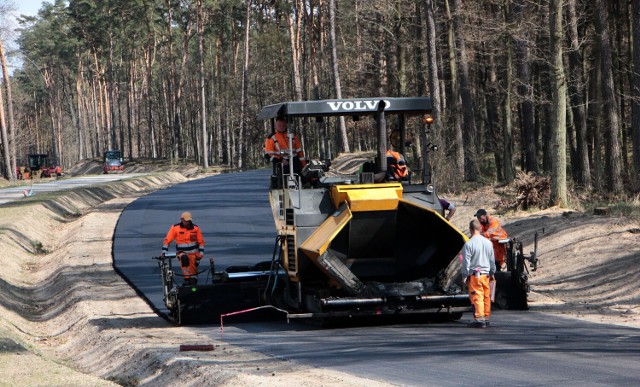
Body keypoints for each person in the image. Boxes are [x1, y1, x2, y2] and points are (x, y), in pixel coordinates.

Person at [461, 219, 496, 328]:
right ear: (480, 228)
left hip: (475, 276)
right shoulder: (488, 243)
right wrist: (492, 272)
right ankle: (486, 318)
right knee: (486, 296)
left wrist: (464, 275)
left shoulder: (469, 244)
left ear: (470, 229)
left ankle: (479, 319)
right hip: (486, 275)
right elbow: (492, 260)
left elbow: (466, 262)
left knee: (477, 297)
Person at [162, 211, 205, 285]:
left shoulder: (195, 228)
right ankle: (186, 279)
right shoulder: (175, 228)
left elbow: (201, 242)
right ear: (182, 219)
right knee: (184, 259)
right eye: (186, 221)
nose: (187, 222)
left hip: (194, 255)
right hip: (182, 253)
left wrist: (200, 254)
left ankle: (192, 281)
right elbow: (167, 240)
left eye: (189, 221)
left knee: (193, 277)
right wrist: (164, 252)